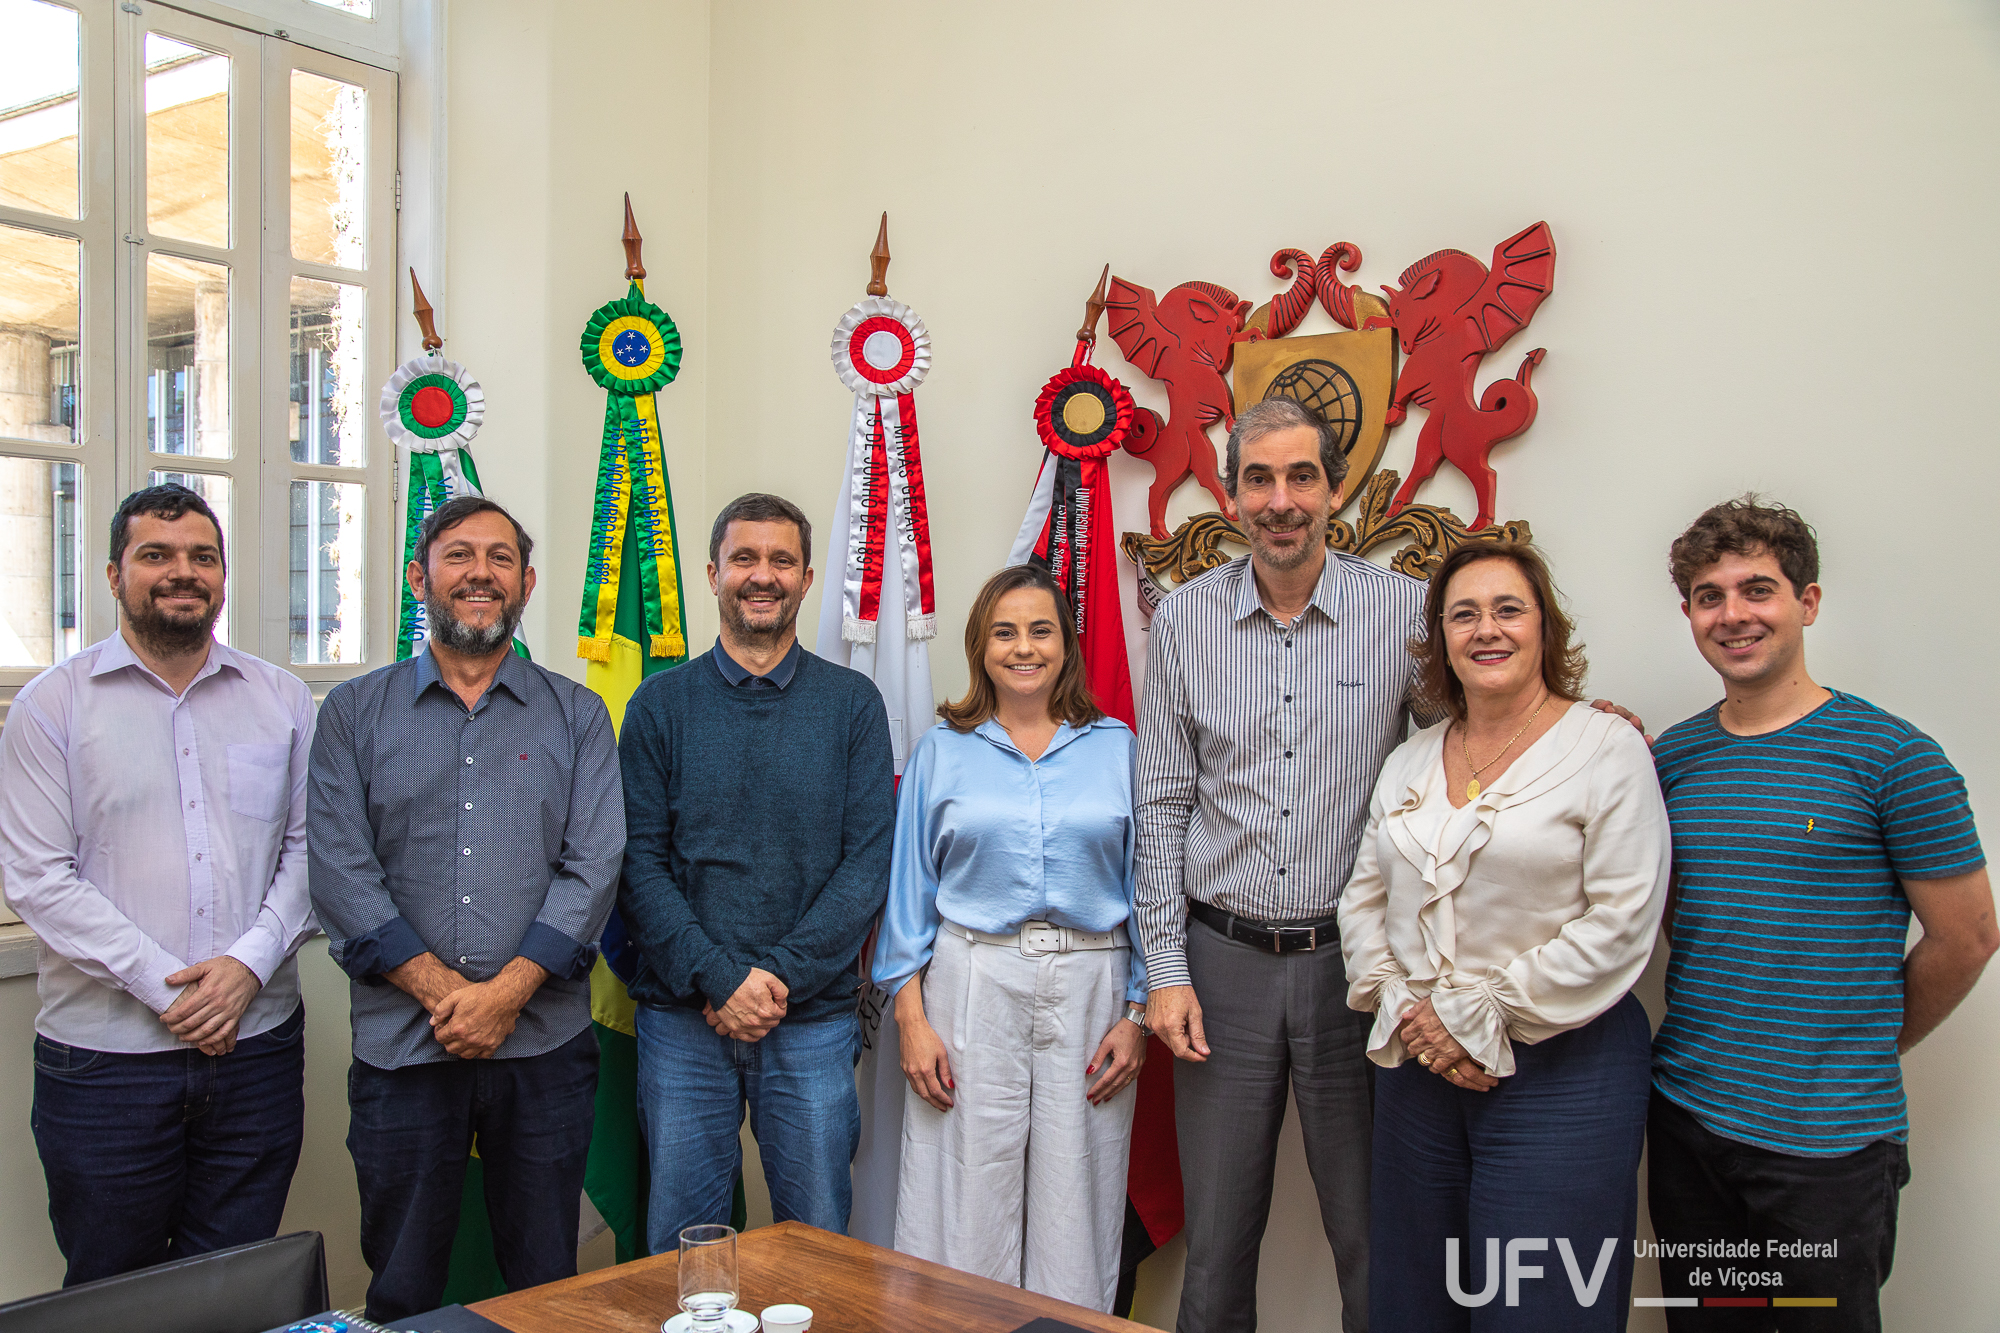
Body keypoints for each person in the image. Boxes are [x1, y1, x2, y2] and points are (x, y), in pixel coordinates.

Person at [1647, 497, 1993, 1332]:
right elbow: (1675, 917)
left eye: (1756, 589)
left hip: (1828, 1147)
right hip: (1688, 1123)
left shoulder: (1893, 758)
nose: (1733, 614)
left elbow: (1969, 935)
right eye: (1709, 594)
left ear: (1807, 602)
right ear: (1690, 613)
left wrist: (1855, 1041)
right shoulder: (1670, 756)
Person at [1133, 394, 1429, 1333]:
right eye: (1258, 478)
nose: (1280, 499)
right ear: (1230, 496)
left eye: (1302, 475)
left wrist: (1578, 731)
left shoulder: (1406, 611)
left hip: (1361, 969)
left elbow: (1461, 774)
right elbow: (1163, 801)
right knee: (1218, 1247)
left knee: (1376, 1236)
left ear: (1336, 489)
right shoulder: (1181, 620)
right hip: (1221, 968)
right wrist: (1166, 970)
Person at [1338, 540, 1670, 1331]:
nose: (1487, 629)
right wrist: (1411, 1013)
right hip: (1418, 1068)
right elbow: (1364, 896)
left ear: (1545, 629)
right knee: (1416, 1302)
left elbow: (1624, 917)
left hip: (1562, 1068)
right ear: (1441, 639)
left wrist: (1474, 1014)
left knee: (1541, 1307)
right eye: (1464, 613)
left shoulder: (1606, 746)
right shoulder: (1412, 758)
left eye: (1508, 608)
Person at [308, 496, 623, 1320]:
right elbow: (341, 871)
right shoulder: (351, 714)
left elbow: (594, 866)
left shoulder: (578, 714)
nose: (479, 572)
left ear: (524, 583)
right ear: (421, 575)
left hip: (545, 1049)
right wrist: (450, 997)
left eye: (499, 558)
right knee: (404, 1282)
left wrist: (505, 993)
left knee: (547, 1281)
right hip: (403, 1050)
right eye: (458, 555)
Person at [0, 483, 315, 1286]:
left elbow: (314, 852)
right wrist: (170, 990)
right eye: (157, 555)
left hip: (257, 1053)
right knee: (113, 1292)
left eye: (202, 557)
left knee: (235, 1286)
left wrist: (245, 967)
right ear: (113, 575)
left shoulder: (282, 700)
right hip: (105, 1065)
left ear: (222, 574)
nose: (184, 572)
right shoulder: (51, 707)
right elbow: (37, 876)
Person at [618, 492, 894, 1251]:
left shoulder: (853, 706)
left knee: (818, 1248)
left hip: (811, 1022)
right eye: (744, 558)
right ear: (712, 574)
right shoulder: (657, 705)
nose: (761, 575)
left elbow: (867, 862)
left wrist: (771, 981)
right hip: (683, 1024)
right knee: (686, 1248)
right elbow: (636, 863)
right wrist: (718, 979)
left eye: (780, 560)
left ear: (807, 579)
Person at [875, 564, 1146, 1312]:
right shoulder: (942, 749)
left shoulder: (1117, 747)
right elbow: (908, 896)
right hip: (971, 979)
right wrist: (911, 1017)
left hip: (1092, 983)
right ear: (979, 646)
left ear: (1066, 645)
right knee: (961, 1195)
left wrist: (1140, 1012)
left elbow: (1147, 887)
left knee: (1077, 1198)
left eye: (1040, 630)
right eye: (1004, 632)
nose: (1023, 648)